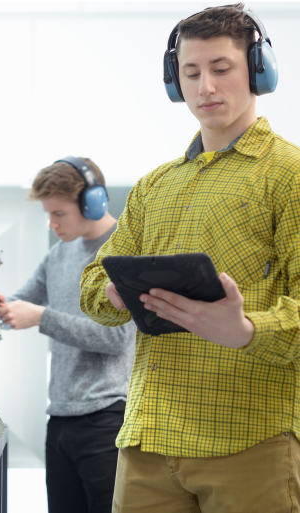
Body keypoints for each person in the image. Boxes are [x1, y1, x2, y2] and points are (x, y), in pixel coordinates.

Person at [80, 4, 300, 512]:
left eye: (222, 69)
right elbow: (92, 286)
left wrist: (246, 330)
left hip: (251, 438)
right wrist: (115, 292)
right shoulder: (155, 186)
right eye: (192, 73)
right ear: (175, 82)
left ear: (258, 71)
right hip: (148, 440)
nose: (206, 88)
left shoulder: (287, 175)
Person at [0, 157, 136, 513]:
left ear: (93, 203)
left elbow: (116, 339)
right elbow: (18, 305)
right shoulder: (58, 255)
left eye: (59, 214)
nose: (52, 223)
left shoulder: (124, 251)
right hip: (61, 421)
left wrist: (41, 318)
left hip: (107, 419)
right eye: (48, 214)